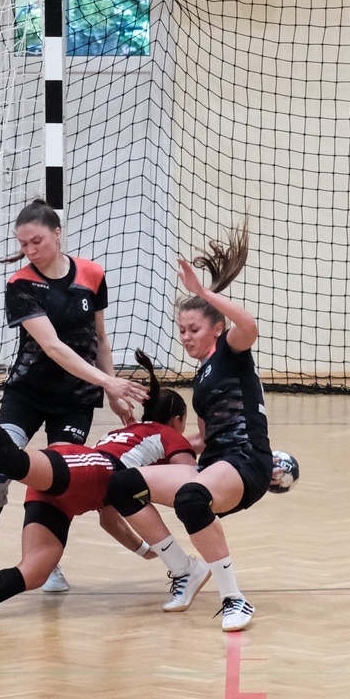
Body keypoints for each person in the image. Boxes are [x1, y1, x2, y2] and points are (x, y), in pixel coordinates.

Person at [0, 200, 147, 595]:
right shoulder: (20, 284)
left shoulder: (92, 274)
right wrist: (109, 384)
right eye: (23, 244)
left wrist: (111, 389)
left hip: (76, 399)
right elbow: (53, 347)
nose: (29, 250)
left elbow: (100, 339)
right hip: (28, 393)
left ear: (57, 233)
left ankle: (46, 561)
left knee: (58, 482)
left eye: (36, 241)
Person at [0, 355, 196, 626]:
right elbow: (190, 481)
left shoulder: (125, 436)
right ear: (178, 420)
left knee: (33, 572)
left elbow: (109, 520)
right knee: (12, 462)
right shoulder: (168, 434)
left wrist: (146, 550)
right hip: (89, 469)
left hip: (74, 494)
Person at [101, 225, 273, 632]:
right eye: (181, 330)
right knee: (122, 485)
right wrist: (145, 435)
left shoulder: (231, 351)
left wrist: (203, 292)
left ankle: (234, 598)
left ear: (216, 328)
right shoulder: (203, 375)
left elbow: (249, 324)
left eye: (193, 329)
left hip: (245, 461)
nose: (185, 337)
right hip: (216, 463)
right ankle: (186, 569)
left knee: (191, 499)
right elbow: (204, 438)